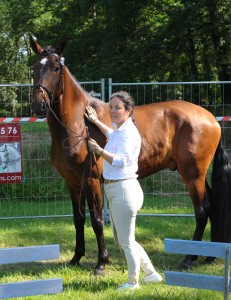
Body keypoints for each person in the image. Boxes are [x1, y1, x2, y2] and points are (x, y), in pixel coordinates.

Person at [85, 91, 162, 291]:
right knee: (124, 239)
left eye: (117, 107)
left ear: (128, 110)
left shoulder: (128, 133)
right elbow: (111, 135)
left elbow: (121, 161)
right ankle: (152, 274)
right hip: (116, 189)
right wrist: (95, 120)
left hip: (123, 189)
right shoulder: (120, 130)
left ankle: (132, 283)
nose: (112, 111)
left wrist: (99, 151)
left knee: (126, 242)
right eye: (111, 107)